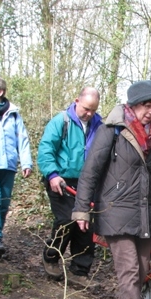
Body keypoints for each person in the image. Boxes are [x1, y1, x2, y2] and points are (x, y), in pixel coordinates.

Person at [72, 80, 151, 299]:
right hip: (115, 212)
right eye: (146, 106)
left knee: (141, 270)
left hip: (144, 214)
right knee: (129, 270)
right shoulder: (112, 130)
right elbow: (90, 171)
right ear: (133, 105)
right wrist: (82, 208)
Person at [37, 87, 102, 285]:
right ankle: (51, 256)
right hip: (62, 180)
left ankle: (79, 271)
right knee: (66, 220)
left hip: (87, 182)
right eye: (86, 109)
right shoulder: (61, 121)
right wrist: (52, 175)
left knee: (85, 226)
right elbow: (46, 148)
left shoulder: (99, 125)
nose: (89, 114)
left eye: (93, 110)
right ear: (76, 101)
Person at [0, 75, 33, 258]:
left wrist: (26, 162)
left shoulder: (14, 114)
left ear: (0, 92)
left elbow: (22, 139)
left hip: (9, 166)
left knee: (3, 204)